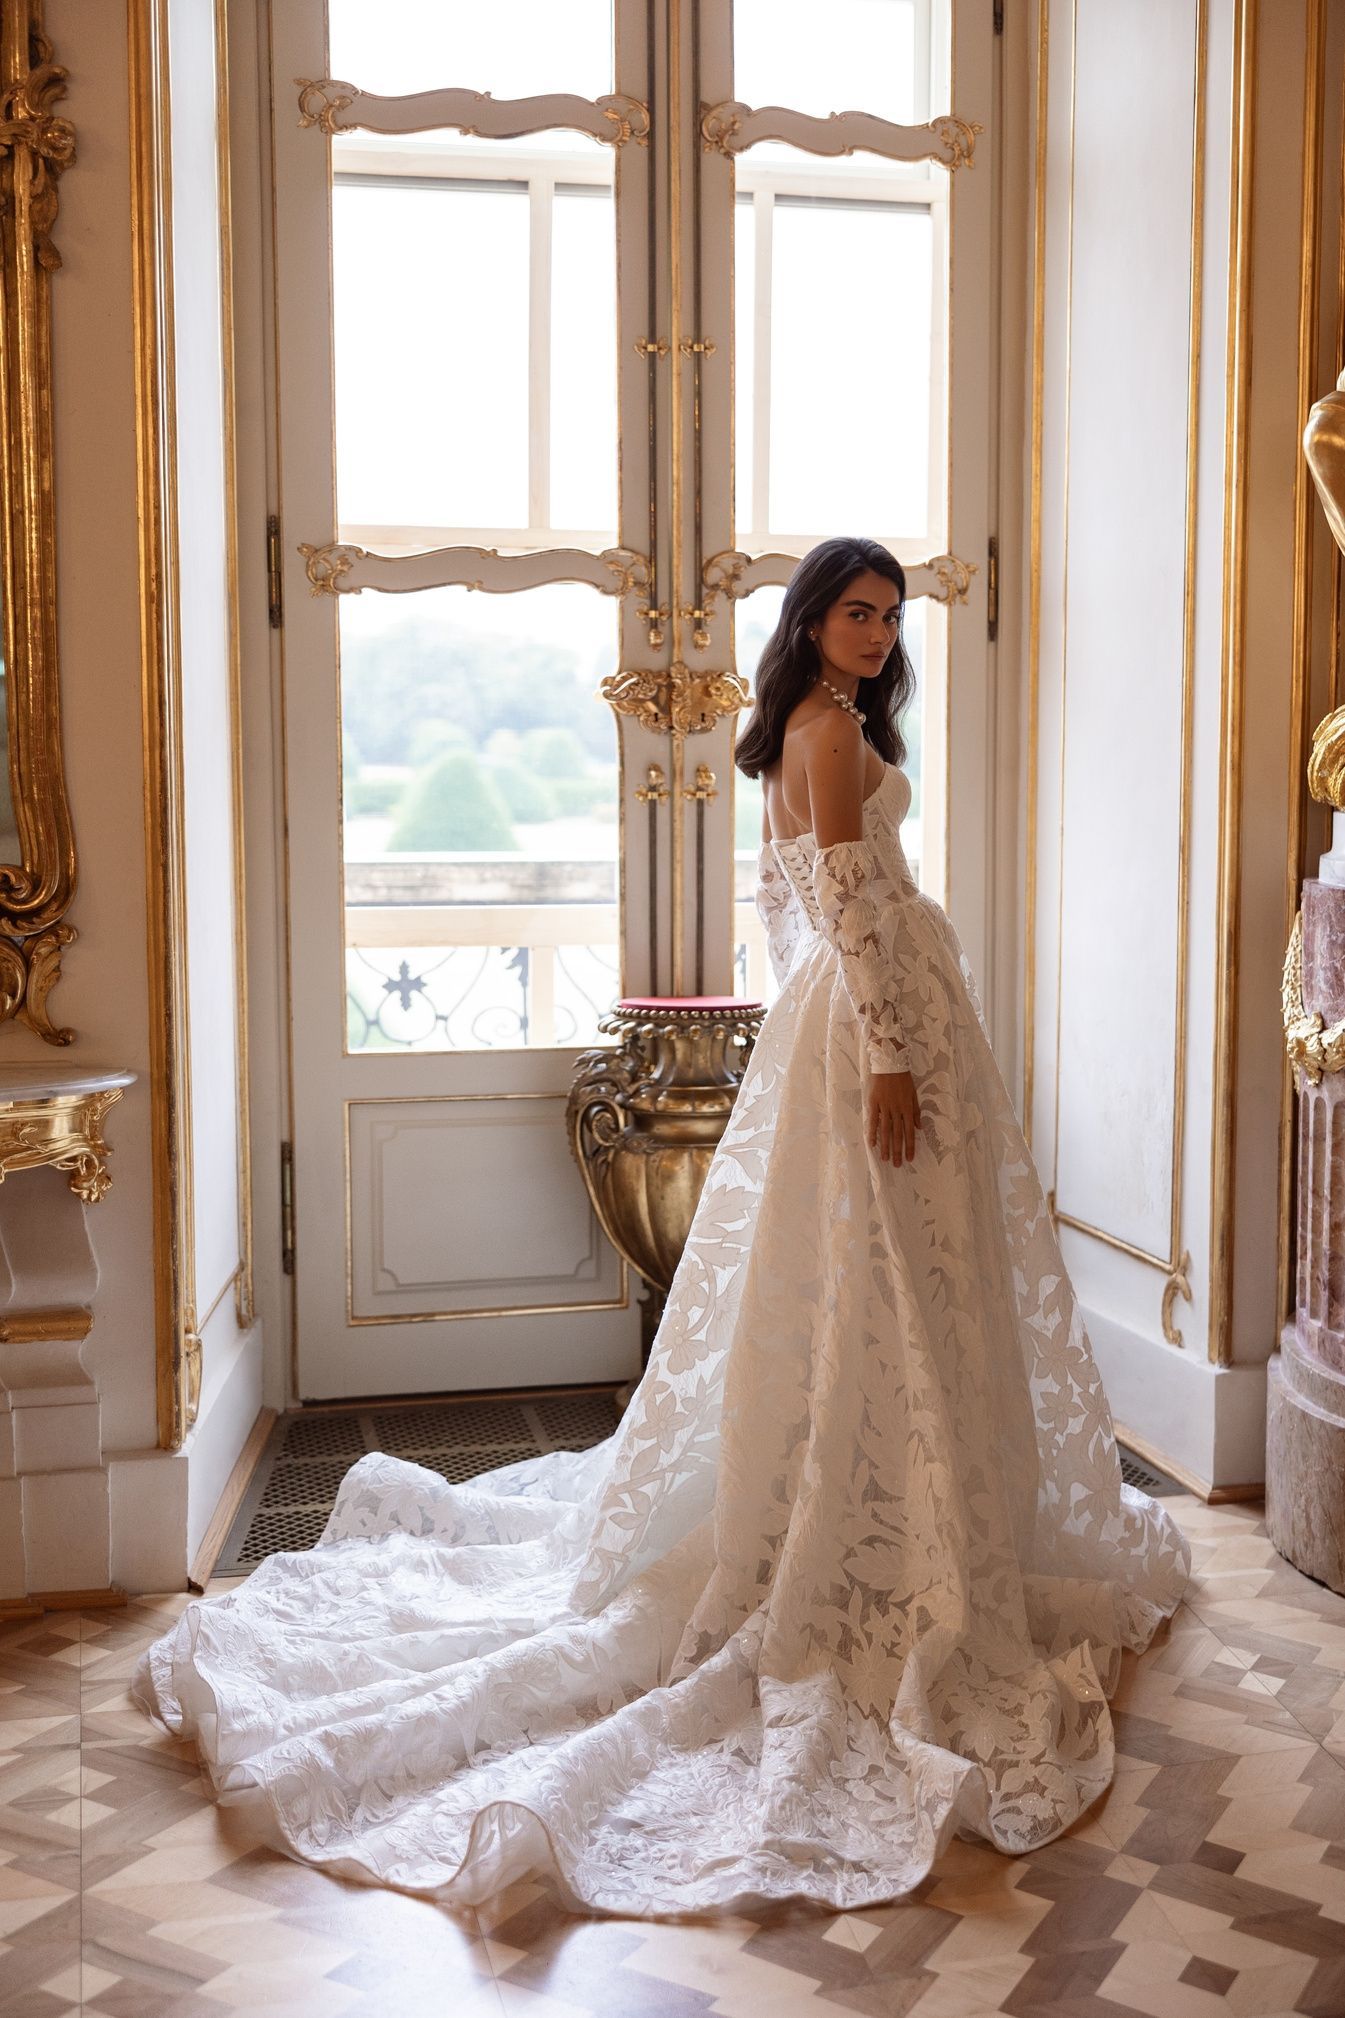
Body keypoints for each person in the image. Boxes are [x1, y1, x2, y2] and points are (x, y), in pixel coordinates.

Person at [134, 534, 1191, 1921]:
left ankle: (895, 1490)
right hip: (874, 1030)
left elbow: (786, 910)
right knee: (879, 1272)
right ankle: (874, 1521)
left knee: (888, 1277)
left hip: (857, 1023)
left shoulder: (813, 726)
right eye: (855, 611)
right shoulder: (824, 734)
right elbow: (846, 899)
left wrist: (836, 1026)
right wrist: (880, 1050)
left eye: (889, 614)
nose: (878, 632)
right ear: (808, 621)